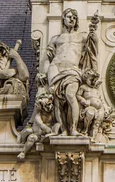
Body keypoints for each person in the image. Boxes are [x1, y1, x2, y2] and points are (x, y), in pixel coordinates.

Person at [44, 8, 97, 136]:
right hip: (55, 67)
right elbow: (48, 58)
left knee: (70, 95)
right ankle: (63, 130)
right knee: (57, 100)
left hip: (73, 69)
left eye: (74, 17)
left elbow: (93, 46)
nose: (71, 19)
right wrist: (44, 72)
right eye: (69, 16)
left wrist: (93, 32)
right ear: (63, 19)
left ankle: (73, 129)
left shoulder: (82, 37)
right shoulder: (55, 39)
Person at [77, 69, 111, 143]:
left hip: (100, 108)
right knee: (90, 114)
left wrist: (105, 108)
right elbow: (78, 95)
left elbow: (101, 99)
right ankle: (85, 130)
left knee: (97, 123)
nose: (93, 82)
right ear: (86, 78)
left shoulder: (96, 90)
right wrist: (84, 101)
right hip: (90, 107)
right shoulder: (83, 87)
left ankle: (92, 137)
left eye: (95, 80)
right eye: (91, 79)